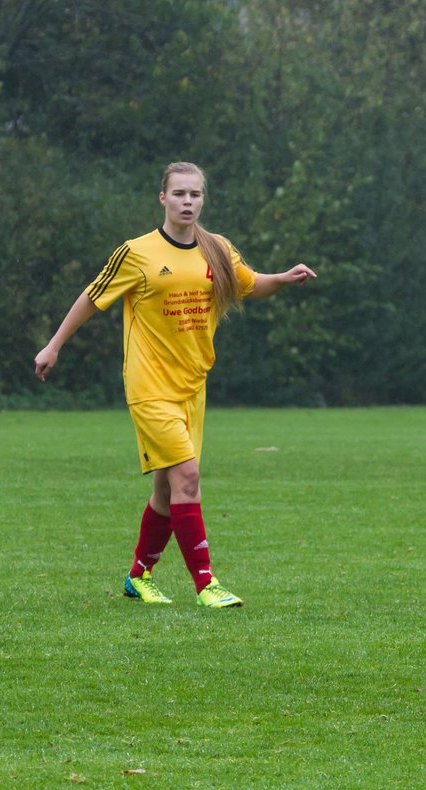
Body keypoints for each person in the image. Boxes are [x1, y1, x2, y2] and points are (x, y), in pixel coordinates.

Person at [34, 161, 316, 606]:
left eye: (196, 194)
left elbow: (250, 284)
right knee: (188, 476)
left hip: (193, 387)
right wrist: (53, 346)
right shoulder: (137, 252)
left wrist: (282, 279)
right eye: (180, 194)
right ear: (162, 198)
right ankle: (207, 584)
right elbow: (92, 296)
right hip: (149, 388)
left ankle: (138, 576)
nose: (188, 202)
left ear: (204, 199)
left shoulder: (217, 249)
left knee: (167, 491)